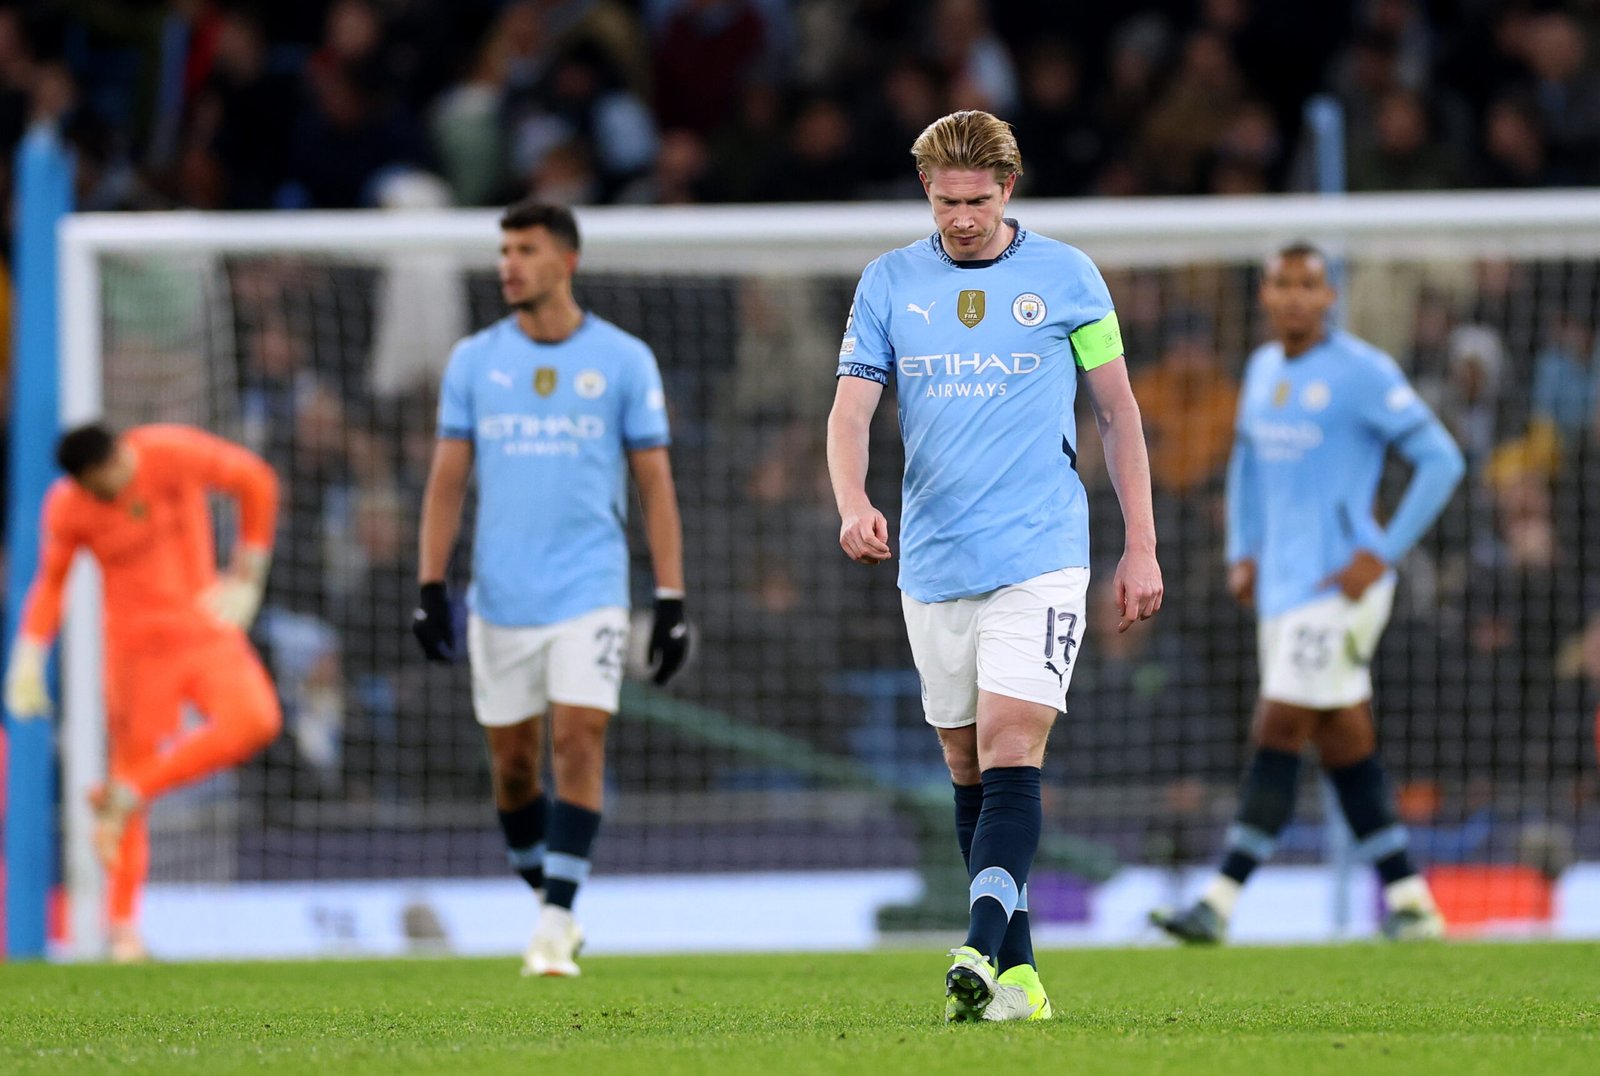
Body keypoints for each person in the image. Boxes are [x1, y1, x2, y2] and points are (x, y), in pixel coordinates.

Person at [826, 110, 1163, 1022]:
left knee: (1014, 746)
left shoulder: (1068, 277)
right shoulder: (889, 283)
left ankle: (975, 944)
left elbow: (1118, 414)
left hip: (1041, 551)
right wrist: (853, 502)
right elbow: (852, 408)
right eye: (945, 201)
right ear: (926, 193)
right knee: (966, 763)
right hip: (934, 559)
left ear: (1008, 189)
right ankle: (1018, 978)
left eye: (976, 200)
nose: (962, 218)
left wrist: (1140, 545)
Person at [1150, 242, 1466, 945]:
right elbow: (1246, 467)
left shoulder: (1362, 372)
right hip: (1282, 590)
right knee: (1343, 738)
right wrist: (1242, 551)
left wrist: (1381, 552)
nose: (1295, 296)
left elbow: (1442, 460)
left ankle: (1219, 901)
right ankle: (1412, 902)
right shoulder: (1262, 370)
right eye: (1282, 284)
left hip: (1339, 589)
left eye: (1309, 285)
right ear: (1264, 296)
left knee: (1279, 725)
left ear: (1329, 298)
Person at [412, 199, 690, 978]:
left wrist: (669, 598)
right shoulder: (474, 361)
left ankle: (556, 919)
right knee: (510, 767)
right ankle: (552, 900)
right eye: (504, 250)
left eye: (525, 249)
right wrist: (430, 586)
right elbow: (444, 484)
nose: (508, 264)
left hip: (591, 588)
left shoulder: (625, 360)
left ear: (565, 261)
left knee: (577, 737)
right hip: (500, 598)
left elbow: (656, 488)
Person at [4, 423, 282, 962]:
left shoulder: (167, 454)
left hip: (203, 629)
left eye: (101, 482)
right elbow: (52, 580)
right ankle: (123, 931)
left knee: (257, 721)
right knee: (133, 803)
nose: (100, 494)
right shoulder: (69, 507)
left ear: (113, 459)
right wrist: (29, 652)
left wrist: (248, 574)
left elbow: (257, 480)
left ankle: (130, 784)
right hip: (134, 657)